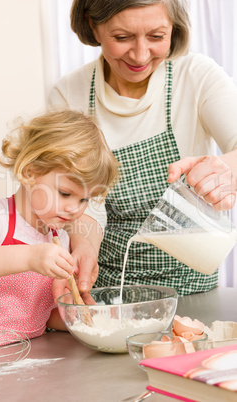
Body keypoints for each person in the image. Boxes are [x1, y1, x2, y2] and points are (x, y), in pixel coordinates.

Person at [48, 0, 237, 297]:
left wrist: (229, 168)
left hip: (192, 287)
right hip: (109, 288)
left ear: (173, 30)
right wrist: (83, 247)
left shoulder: (196, 76)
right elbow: (85, 201)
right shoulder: (70, 93)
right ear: (94, 27)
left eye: (156, 37)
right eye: (122, 38)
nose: (139, 54)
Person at [0, 108, 119, 346]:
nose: (75, 209)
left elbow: (39, 316)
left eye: (84, 200)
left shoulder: (60, 237)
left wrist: (76, 315)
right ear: (30, 172)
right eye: (65, 193)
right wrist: (29, 257)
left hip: (23, 359)